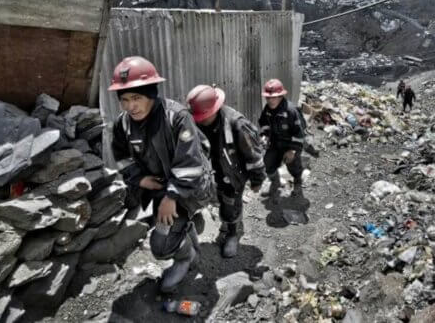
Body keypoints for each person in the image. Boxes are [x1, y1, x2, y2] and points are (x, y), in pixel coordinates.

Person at [109, 56, 213, 293]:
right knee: (165, 237)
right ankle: (188, 247)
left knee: (160, 246)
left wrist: (171, 197)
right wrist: (139, 179)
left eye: (136, 98)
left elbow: (191, 163)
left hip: (190, 188)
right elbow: (122, 158)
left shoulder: (176, 117)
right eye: (124, 100)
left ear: (152, 94)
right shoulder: (123, 125)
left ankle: (184, 258)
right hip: (160, 190)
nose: (130, 106)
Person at [186, 84, 265, 258]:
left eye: (202, 116)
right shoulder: (196, 122)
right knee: (219, 199)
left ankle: (232, 233)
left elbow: (254, 156)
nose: (198, 120)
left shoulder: (237, 124)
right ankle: (229, 220)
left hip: (233, 173)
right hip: (212, 169)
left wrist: (257, 180)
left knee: (230, 202)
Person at [258, 79, 305, 200]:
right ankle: (275, 182)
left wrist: (293, 151)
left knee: (293, 165)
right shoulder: (267, 109)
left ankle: (298, 183)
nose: (270, 100)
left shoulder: (291, 111)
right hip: (275, 143)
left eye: (273, 97)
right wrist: (264, 135)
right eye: (267, 97)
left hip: (291, 145)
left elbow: (299, 133)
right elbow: (264, 124)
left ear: (280, 96)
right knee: (267, 165)